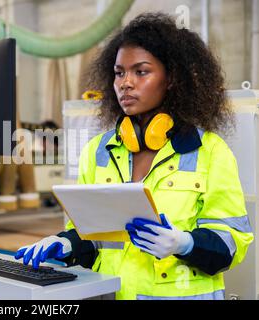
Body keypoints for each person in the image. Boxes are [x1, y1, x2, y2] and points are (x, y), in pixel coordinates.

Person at [14, 12, 254, 300]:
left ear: (172, 78)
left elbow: (232, 244)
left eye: (141, 72)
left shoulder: (210, 152)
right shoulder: (98, 151)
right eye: (119, 73)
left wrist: (184, 243)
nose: (125, 83)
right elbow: (93, 238)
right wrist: (66, 244)